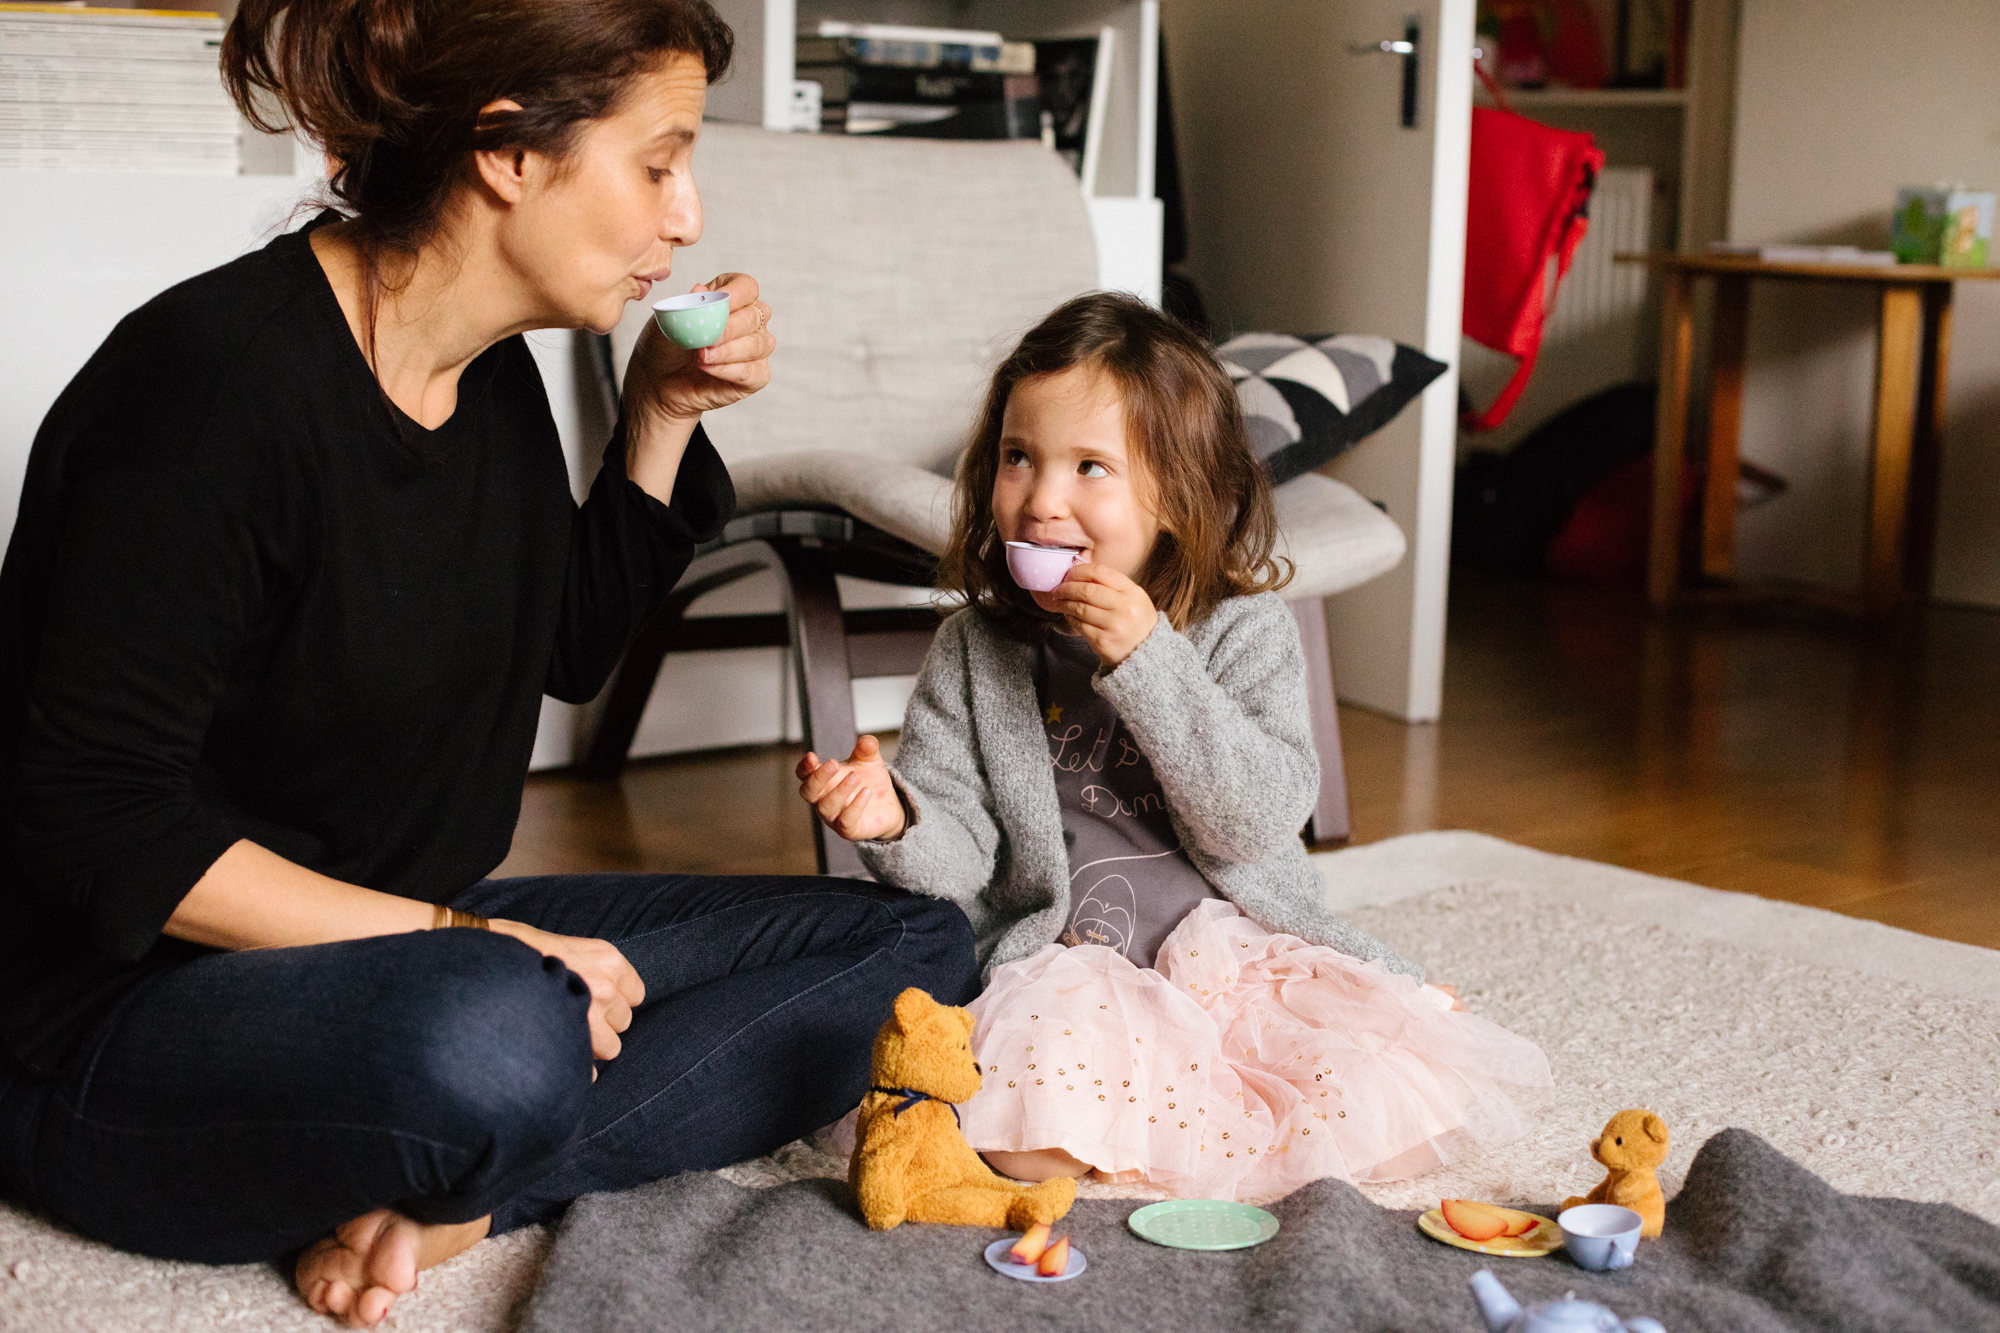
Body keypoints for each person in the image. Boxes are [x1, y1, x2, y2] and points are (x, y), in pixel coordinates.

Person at [0, 0, 975, 1326]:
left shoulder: (493, 376)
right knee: (504, 1036)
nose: (685, 215)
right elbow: (97, 824)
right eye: (658, 160)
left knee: (913, 946)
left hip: (422, 944)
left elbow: (567, 648)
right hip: (122, 1026)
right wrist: (473, 942)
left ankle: (452, 1196)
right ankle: (477, 1126)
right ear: (509, 152)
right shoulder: (212, 386)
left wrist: (656, 418)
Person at [797, 293, 1551, 1201]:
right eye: (1017, 458)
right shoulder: (978, 645)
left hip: (1228, 950)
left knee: (1394, 1110)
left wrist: (1150, 660)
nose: (1041, 501)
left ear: (1178, 495)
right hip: (1072, 967)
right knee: (1025, 1128)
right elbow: (959, 856)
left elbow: (1260, 818)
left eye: (1089, 467)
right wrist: (895, 816)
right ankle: (1152, 1129)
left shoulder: (1241, 628)